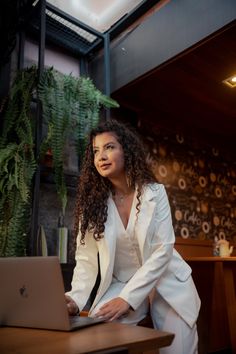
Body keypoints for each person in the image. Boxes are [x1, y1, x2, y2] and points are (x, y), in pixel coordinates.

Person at [65, 118, 201, 354]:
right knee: (96, 338)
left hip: (166, 282)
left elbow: (162, 250)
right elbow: (86, 260)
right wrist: (75, 299)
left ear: (126, 151)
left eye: (109, 147)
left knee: (178, 351)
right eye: (96, 150)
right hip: (121, 283)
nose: (101, 156)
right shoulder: (93, 205)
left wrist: (128, 299)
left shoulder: (155, 193)